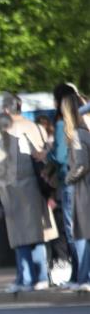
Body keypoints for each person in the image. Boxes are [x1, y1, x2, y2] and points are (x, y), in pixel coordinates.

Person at [0, 93, 58, 292]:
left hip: (15, 186)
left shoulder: (4, 130)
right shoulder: (36, 127)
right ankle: (42, 276)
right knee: (38, 233)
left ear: (5, 109)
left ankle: (25, 277)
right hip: (38, 184)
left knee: (20, 235)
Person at [62, 95, 90, 290]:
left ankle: (84, 277)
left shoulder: (79, 134)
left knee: (83, 233)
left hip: (84, 188)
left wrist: (68, 178)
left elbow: (81, 164)